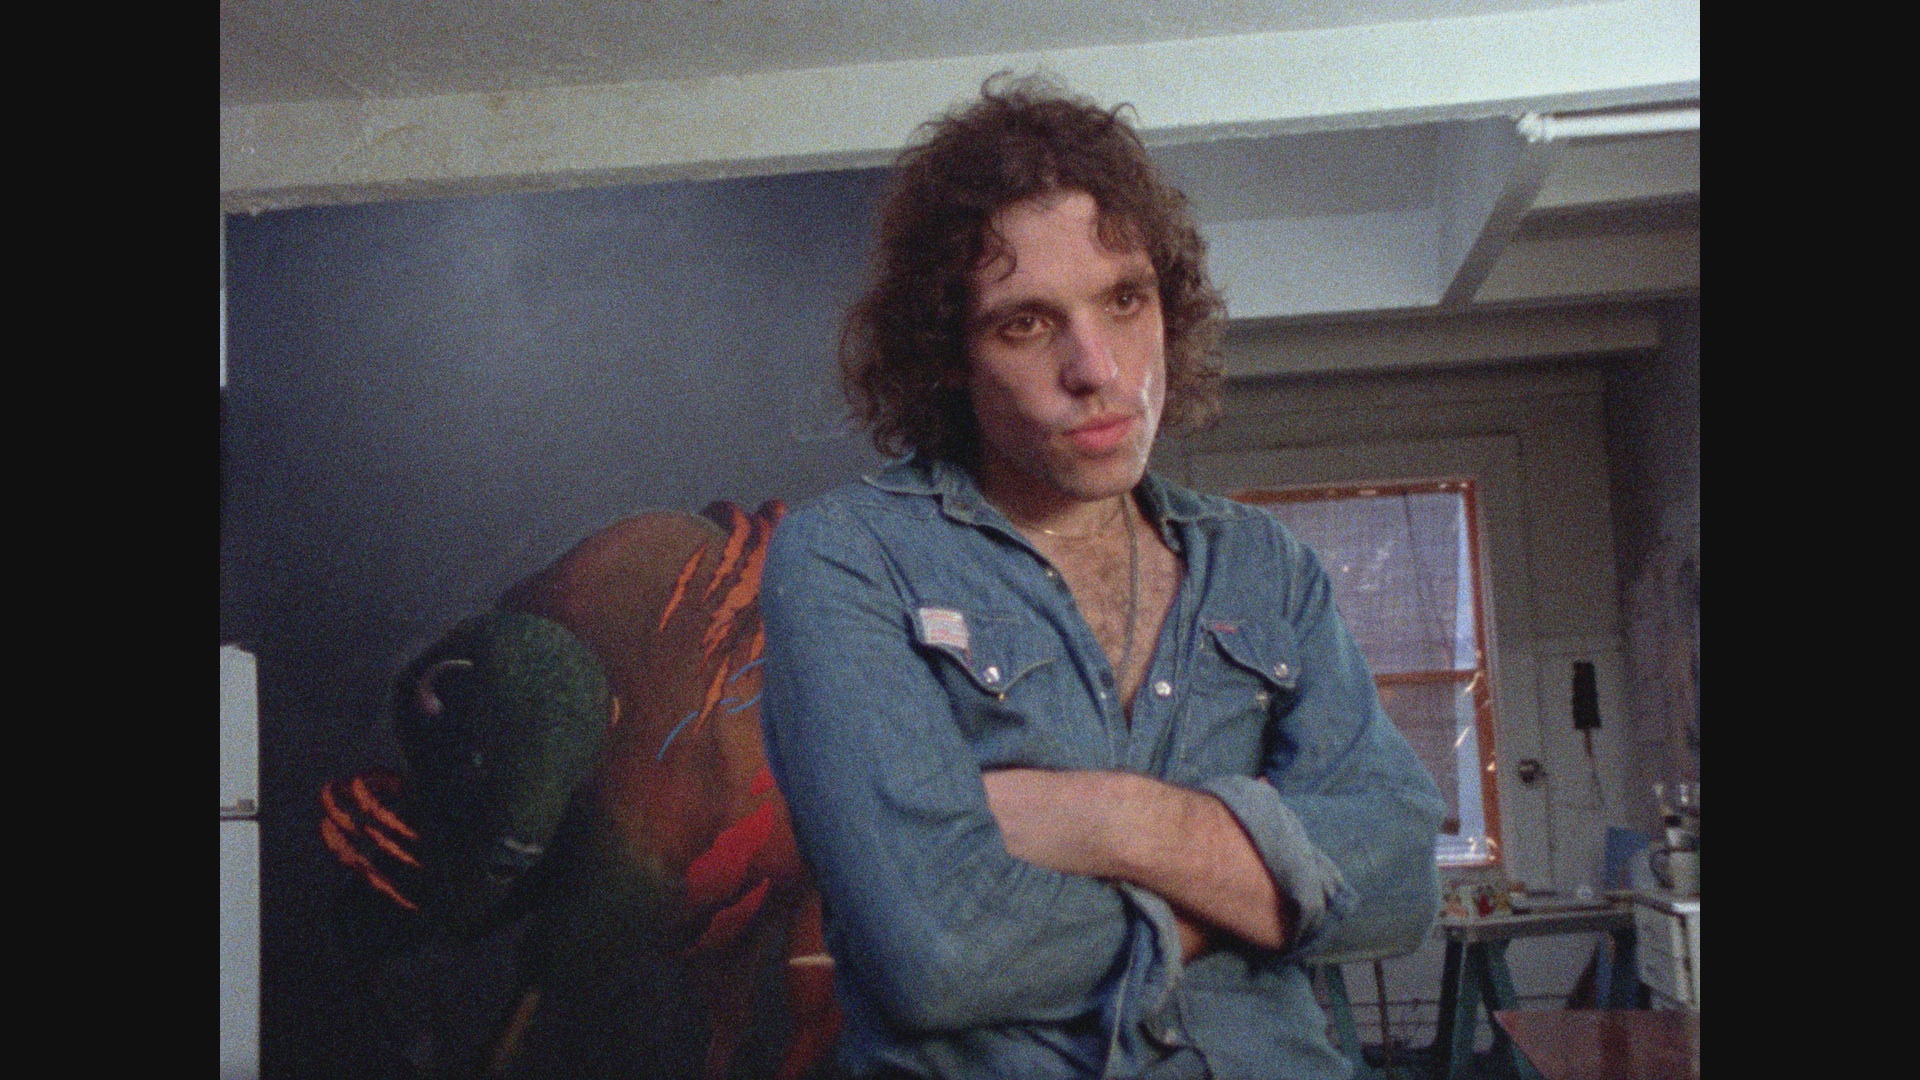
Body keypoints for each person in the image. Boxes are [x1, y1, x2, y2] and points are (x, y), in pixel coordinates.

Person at [759, 75, 1446, 1079]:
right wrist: (1256, 894)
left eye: (1125, 300)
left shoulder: (1266, 568)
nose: (1099, 369)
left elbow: (1397, 883)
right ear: (948, 355)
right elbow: (940, 955)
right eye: (1027, 324)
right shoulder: (850, 558)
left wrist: (1109, 820)